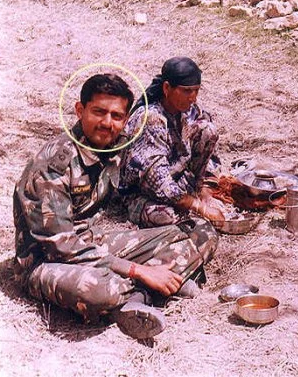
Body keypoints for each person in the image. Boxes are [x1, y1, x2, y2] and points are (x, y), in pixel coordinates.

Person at [13, 74, 217, 340]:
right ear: (80, 110)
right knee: (97, 290)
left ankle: (142, 295)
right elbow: (60, 247)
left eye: (116, 116)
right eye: (99, 112)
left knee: (201, 231)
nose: (107, 123)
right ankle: (148, 290)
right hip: (46, 261)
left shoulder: (112, 146)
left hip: (91, 242)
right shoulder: (54, 167)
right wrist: (138, 270)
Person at [120, 56, 225, 228]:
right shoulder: (151, 118)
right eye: (186, 91)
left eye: (196, 90)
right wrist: (198, 207)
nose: (193, 97)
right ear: (167, 88)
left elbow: (210, 155)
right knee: (169, 217)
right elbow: (158, 180)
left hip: (177, 180)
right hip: (141, 192)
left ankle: (196, 193)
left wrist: (205, 192)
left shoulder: (190, 110)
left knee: (208, 129)